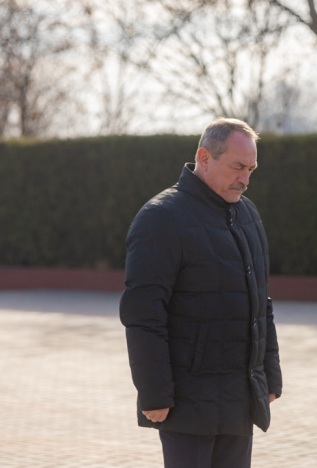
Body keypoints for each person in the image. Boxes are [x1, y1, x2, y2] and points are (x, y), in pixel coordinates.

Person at [120, 118, 282, 468]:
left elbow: (260, 302)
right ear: (204, 157)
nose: (245, 179)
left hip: (239, 401)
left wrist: (268, 376)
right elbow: (143, 313)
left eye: (251, 169)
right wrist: (154, 393)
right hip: (187, 403)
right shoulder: (161, 218)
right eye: (238, 167)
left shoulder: (248, 215)